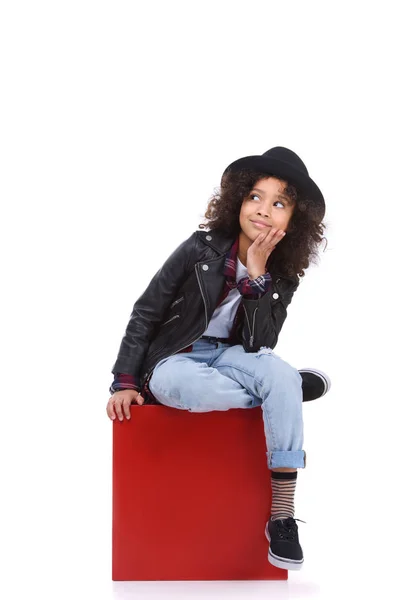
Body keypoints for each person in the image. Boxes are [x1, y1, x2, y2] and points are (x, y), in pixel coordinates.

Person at [106, 146, 331, 571]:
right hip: (177, 358)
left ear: (292, 222)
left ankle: (282, 516)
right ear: (239, 201)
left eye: (279, 203)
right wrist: (125, 382)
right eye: (256, 197)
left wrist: (258, 276)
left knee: (272, 370)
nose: (264, 210)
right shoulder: (199, 248)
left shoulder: (282, 275)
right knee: (190, 388)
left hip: (233, 356)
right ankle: (285, 390)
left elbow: (260, 341)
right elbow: (147, 311)